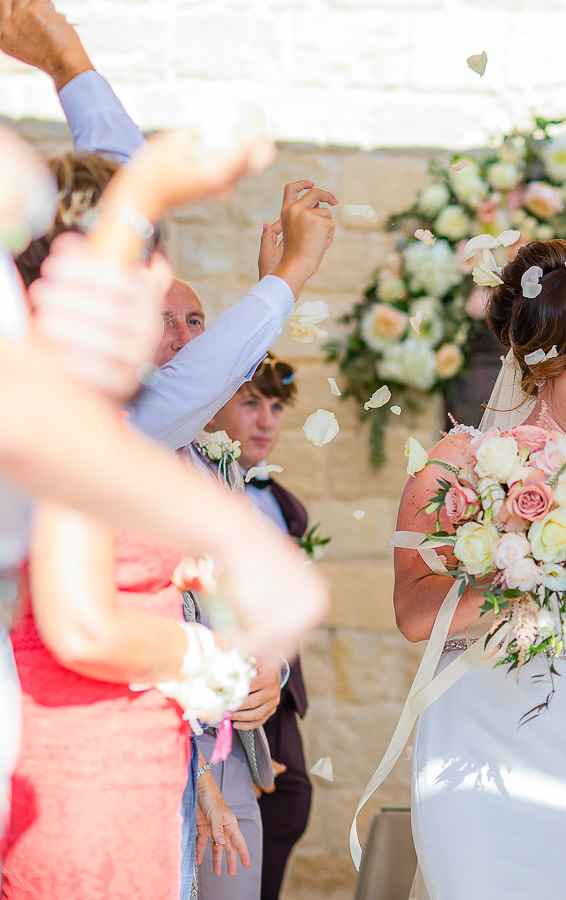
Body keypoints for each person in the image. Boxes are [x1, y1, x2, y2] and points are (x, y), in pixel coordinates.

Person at [0, 127, 326, 899]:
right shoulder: (56, 421)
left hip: (145, 768)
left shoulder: (83, 422)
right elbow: (83, 626)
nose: (160, 289)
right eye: (145, 265)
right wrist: (205, 660)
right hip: (81, 769)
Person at [390, 239, 566, 899]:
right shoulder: (456, 461)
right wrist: (514, 574)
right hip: (474, 746)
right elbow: (412, 613)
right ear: (546, 349)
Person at [1, 0, 337, 450]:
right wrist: (290, 272)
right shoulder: (62, 416)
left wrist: (69, 64)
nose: (163, 277)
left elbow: (120, 199)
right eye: (145, 274)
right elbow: (187, 389)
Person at [207, 355, 313, 900]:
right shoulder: (204, 491)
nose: (266, 421)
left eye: (275, 407)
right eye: (251, 404)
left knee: (291, 803)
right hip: (230, 692)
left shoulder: (284, 505)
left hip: (281, 695)